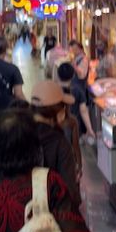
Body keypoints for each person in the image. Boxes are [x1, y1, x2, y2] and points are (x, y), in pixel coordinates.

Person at [30, 80, 82, 208]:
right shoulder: (61, 144)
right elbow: (69, 194)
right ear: (59, 113)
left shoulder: (18, 134)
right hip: (50, 215)